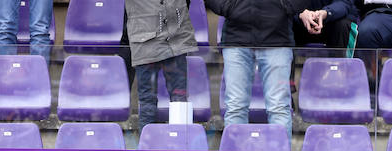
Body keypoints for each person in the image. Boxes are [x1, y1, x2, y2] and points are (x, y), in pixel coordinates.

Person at [208, 0, 327, 126]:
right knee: (236, 108)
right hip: (237, 41)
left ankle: (280, 146)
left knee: (278, 108)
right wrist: (228, 7)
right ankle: (235, 146)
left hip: (277, 41)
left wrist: (285, 6)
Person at [126, 0, 197, 131]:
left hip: (173, 38)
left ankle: (179, 144)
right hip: (147, 40)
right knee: (149, 100)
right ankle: (147, 146)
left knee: (178, 98)